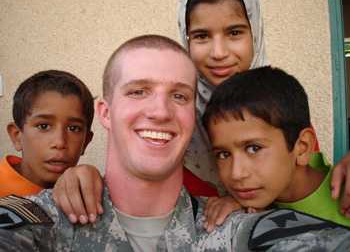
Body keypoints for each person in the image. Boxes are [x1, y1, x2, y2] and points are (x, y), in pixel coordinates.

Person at [1, 34, 350, 252]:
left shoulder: (232, 227)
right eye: (138, 91)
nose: (159, 111)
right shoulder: (41, 221)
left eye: (179, 96)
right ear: (105, 113)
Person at [51, 0, 350, 227]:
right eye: (202, 36)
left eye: (235, 33)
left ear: (255, 32)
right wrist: (80, 177)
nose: (219, 53)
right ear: (186, 38)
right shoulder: (172, 128)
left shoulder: (284, 107)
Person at [202, 65, 349, 226]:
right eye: (224, 154)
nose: (237, 174)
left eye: (254, 148)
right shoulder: (242, 211)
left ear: (303, 147)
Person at [0, 70, 94, 198]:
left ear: (85, 143)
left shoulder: (87, 195)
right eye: (43, 126)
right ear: (16, 136)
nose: (60, 142)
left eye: (73, 128)